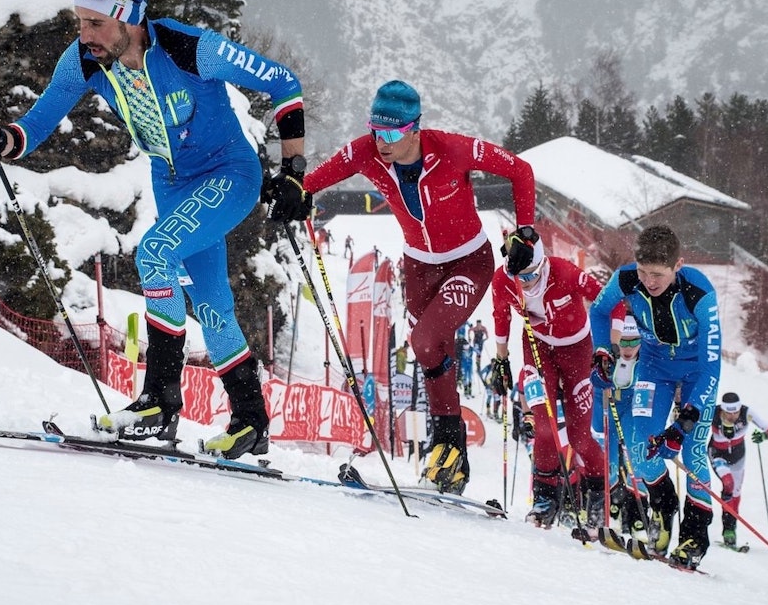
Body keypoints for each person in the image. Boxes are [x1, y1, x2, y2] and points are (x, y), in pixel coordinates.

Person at [0, 0, 312, 460]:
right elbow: (39, 120)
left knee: (154, 253)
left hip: (229, 174)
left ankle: (159, 401)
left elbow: (284, 83)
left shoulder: (190, 48)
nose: (84, 35)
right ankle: (251, 420)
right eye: (80, 22)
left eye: (95, 23)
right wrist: (4, 140)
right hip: (173, 184)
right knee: (213, 304)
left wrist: (294, 174)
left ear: (129, 17)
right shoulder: (85, 60)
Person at [301, 79, 537, 494]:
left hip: (469, 260)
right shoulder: (365, 152)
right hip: (419, 267)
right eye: (375, 130)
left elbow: (521, 170)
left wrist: (525, 231)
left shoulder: (452, 148)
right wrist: (294, 192)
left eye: (391, 133)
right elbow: (315, 179)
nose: (381, 142)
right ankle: (449, 450)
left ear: (415, 129)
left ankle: (449, 442)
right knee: (428, 348)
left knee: (427, 338)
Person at [589, 224, 722, 570]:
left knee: (692, 451)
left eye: (658, 274)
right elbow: (600, 312)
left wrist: (683, 422)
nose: (650, 281)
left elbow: (711, 368)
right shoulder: (625, 279)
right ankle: (662, 510)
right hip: (654, 365)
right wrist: (603, 351)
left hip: (696, 373)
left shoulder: (699, 292)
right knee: (638, 444)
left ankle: (694, 534)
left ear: (677, 265)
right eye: (644, 272)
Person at [489, 233, 608, 529]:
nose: (526, 282)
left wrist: (609, 346)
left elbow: (606, 302)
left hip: (577, 352)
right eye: (520, 276)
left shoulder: (564, 271)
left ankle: (596, 496)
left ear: (541, 264)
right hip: (537, 347)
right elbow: (500, 316)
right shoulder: (503, 280)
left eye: (531, 275)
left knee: (580, 438)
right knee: (543, 428)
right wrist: (501, 359)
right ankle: (545, 499)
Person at [709, 391, 768, 548]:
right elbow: (693, 423)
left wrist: (763, 436)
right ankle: (728, 529)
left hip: (738, 457)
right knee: (728, 484)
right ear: (723, 410)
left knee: (735, 493)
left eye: (735, 412)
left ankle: (731, 531)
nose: (732, 416)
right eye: (728, 412)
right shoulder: (713, 412)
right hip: (717, 453)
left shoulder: (747, 412)